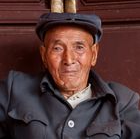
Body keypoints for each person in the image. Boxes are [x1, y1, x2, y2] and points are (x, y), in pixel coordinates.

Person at [0, 12, 140, 139]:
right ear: (44, 55)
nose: (68, 59)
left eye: (79, 47)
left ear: (94, 54)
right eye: (57, 48)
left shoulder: (122, 101)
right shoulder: (14, 88)